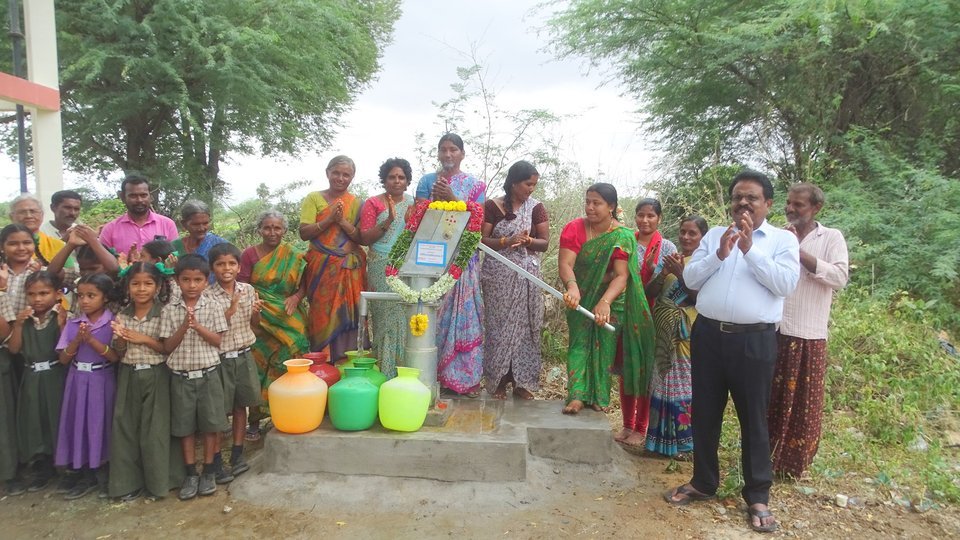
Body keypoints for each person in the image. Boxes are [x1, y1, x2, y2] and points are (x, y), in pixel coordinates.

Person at [664, 170, 799, 535]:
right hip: (708, 335)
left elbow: (785, 284)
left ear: (767, 204)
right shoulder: (712, 236)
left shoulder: (781, 241)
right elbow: (691, 281)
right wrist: (721, 253)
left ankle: (757, 495)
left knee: (753, 416)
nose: (743, 203)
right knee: (705, 411)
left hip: (754, 341)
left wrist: (750, 250)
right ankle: (704, 482)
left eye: (751, 198)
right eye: (738, 197)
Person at [768, 183, 848, 478]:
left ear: (816, 208)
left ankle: (793, 465)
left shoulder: (830, 238)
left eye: (798, 204)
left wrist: (798, 252)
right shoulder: (779, 235)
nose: (790, 209)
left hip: (809, 333)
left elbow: (839, 277)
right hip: (776, 328)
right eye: (788, 203)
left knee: (803, 403)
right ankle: (766, 458)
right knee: (771, 399)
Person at [557, 183, 654, 422]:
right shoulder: (575, 228)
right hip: (580, 293)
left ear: (611, 207)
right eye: (588, 201)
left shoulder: (622, 236)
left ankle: (599, 397)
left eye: (597, 203)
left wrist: (605, 301)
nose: (590, 207)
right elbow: (566, 264)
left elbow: (622, 275)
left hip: (612, 298)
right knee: (579, 343)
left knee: (604, 345)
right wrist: (572, 286)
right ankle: (577, 395)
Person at [414, 134, 486, 396]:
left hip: (462, 260)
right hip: (431, 258)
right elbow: (417, 220)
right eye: (443, 150)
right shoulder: (426, 182)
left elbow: (477, 223)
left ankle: (465, 379)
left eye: (453, 149)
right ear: (438, 154)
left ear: (462, 154)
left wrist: (453, 196)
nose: (447, 154)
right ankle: (432, 375)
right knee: (434, 315)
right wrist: (432, 201)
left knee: (466, 317)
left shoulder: (475, 185)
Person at [109, 262, 181, 501]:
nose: (142, 289)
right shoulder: (122, 315)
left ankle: (159, 483)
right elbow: (119, 352)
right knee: (126, 428)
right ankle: (127, 484)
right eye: (136, 284)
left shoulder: (164, 312)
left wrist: (143, 339)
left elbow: (165, 348)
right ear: (128, 287)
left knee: (155, 430)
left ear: (158, 286)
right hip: (129, 373)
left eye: (148, 284)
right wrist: (120, 338)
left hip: (156, 373)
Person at [159, 254, 229, 501]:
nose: (191, 285)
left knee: (211, 425)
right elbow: (167, 346)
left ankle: (209, 470)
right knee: (185, 427)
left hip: (209, 374)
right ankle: (190, 473)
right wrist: (184, 327)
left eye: (197, 280)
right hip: (181, 377)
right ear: (177, 281)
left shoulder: (213, 307)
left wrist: (197, 326)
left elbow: (219, 341)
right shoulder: (169, 310)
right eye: (186, 280)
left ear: (205, 281)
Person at [480, 160, 549, 399]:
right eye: (528, 184)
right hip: (498, 276)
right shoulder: (493, 206)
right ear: (514, 182)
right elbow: (482, 240)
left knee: (525, 327)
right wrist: (506, 241)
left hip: (527, 276)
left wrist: (528, 241)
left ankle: (522, 382)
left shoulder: (536, 207)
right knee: (498, 327)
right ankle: (498, 380)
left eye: (534, 184)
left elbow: (545, 243)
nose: (531, 189)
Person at [238, 210, 309, 441]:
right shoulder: (249, 255)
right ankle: (255, 421)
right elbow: (242, 286)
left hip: (287, 314)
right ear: (259, 230)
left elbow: (304, 284)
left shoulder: (294, 255)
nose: (272, 232)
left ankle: (289, 412)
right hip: (258, 315)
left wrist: (296, 298)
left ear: (284, 231)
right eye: (267, 227)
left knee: (293, 354)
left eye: (277, 228)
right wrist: (253, 311)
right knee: (257, 366)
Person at [645, 216, 708, 458]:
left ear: (703, 237)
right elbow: (651, 291)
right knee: (661, 384)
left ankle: (684, 444)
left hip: (684, 335)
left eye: (692, 233)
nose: (685, 237)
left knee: (683, 387)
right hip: (663, 334)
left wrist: (681, 273)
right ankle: (659, 442)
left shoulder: (705, 264)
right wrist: (663, 272)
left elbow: (698, 298)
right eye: (683, 232)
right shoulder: (671, 259)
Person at [55, 273, 120, 500]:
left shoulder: (112, 322)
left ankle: (102, 469)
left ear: (104, 297)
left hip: (101, 379)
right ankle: (83, 471)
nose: (84, 301)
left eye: (91, 295)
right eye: (81, 296)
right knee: (78, 423)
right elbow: (63, 359)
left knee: (100, 423)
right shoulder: (73, 323)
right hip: (77, 379)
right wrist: (76, 340)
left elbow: (114, 356)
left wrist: (91, 340)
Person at [298, 156, 366, 361]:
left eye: (346, 174)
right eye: (336, 173)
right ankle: (323, 362)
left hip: (348, 267)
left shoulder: (356, 203)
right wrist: (329, 220)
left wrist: (342, 221)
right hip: (321, 268)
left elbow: (360, 237)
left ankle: (349, 362)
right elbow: (304, 233)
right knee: (322, 314)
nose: (340, 178)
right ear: (327, 173)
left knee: (350, 314)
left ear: (352, 177)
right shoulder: (313, 198)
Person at [205, 243, 261, 480]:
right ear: (212, 268)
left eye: (231, 264)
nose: (226, 268)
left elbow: (254, 325)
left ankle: (237, 454)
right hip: (220, 359)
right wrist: (230, 310)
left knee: (241, 407)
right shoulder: (206, 296)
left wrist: (256, 311)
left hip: (244, 354)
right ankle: (216, 460)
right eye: (220, 264)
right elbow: (210, 330)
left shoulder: (247, 289)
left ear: (239, 267)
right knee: (219, 412)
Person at [8, 272, 67, 493]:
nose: (38, 299)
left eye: (44, 293)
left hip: (54, 375)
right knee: (35, 420)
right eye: (32, 294)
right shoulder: (25, 319)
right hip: (32, 377)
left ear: (56, 294)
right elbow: (14, 349)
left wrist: (62, 323)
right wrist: (19, 326)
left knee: (56, 417)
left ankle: (62, 465)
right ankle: (42, 467)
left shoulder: (59, 317)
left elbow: (65, 348)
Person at [359, 158, 415, 378]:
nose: (397, 181)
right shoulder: (373, 203)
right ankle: (385, 373)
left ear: (408, 181)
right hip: (380, 265)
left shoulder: (413, 203)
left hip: (407, 266)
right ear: (384, 180)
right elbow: (365, 238)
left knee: (405, 319)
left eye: (401, 177)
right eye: (392, 177)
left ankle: (403, 373)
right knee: (384, 319)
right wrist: (390, 219)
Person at [0, 224, 42, 496]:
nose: (21, 248)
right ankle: (10, 468)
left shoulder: (38, 273)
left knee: (28, 408)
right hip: (6, 346)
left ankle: (33, 462)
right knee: (7, 411)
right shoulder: (2, 276)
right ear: (3, 246)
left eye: (27, 242)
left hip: (33, 347)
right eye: (13, 243)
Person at [98, 173, 179, 256]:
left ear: (150, 197)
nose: (139, 200)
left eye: (143, 195)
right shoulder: (110, 229)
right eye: (133, 196)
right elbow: (103, 261)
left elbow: (174, 258)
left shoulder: (167, 224)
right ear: (123, 197)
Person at [634, 198, 678, 305]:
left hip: (656, 307)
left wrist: (653, 267)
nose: (644, 220)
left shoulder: (667, 247)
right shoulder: (627, 243)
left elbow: (671, 282)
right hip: (626, 304)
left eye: (650, 216)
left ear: (659, 218)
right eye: (640, 215)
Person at [10, 193, 67, 266]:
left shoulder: (58, 246)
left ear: (42, 215)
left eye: (33, 211)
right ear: (11, 217)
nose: (28, 216)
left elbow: (69, 274)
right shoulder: (2, 244)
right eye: (22, 212)